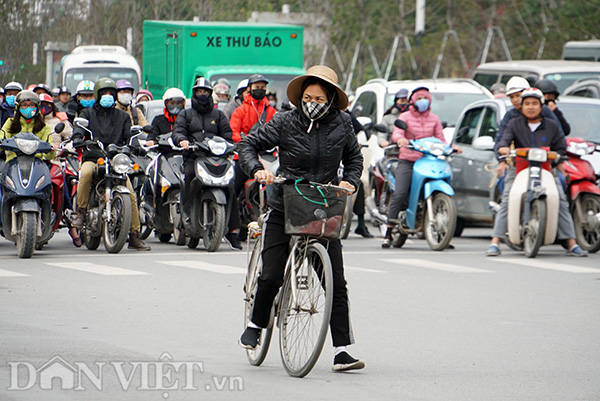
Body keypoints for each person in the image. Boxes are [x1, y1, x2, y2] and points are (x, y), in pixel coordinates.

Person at [238, 65, 365, 372]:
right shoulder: (284, 121)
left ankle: (342, 350)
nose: (312, 102)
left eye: (319, 97)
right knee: (271, 274)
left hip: (323, 207)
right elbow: (247, 145)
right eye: (307, 96)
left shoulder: (343, 124)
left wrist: (350, 180)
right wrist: (259, 169)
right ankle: (256, 324)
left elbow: (354, 158)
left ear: (331, 98)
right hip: (285, 202)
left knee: (335, 281)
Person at [486, 88, 587, 257]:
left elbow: (560, 146)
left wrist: (559, 158)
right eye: (527, 104)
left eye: (534, 104)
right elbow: (503, 141)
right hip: (519, 168)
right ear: (522, 107)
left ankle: (571, 243)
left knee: (560, 199)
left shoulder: (552, 125)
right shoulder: (514, 123)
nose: (530, 107)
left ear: (541, 106)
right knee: (508, 198)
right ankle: (495, 242)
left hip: (546, 168)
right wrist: (503, 150)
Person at [70, 78, 151, 251]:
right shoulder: (87, 114)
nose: (108, 96)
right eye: (104, 93)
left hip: (116, 161)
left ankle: (135, 234)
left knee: (130, 193)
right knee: (84, 174)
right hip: (94, 158)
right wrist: (78, 139)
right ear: (98, 95)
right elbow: (79, 131)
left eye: (111, 94)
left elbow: (130, 136)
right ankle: (82, 213)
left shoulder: (122, 116)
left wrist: (136, 147)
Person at [382, 86, 461, 248]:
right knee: (401, 193)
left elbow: (441, 139)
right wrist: (400, 140)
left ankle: (443, 234)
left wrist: (451, 147)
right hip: (408, 160)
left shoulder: (434, 119)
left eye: (425, 98)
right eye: (419, 99)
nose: (422, 101)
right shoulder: (405, 117)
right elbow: (397, 133)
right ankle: (389, 231)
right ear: (412, 101)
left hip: (428, 160)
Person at [170, 77, 242, 250]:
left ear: (210, 94)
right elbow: (177, 131)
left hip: (217, 158)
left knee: (231, 187)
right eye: (199, 92)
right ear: (194, 93)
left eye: (205, 92)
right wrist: (182, 140)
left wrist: (231, 145)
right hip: (194, 158)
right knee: (188, 176)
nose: (202, 95)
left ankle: (233, 232)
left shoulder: (218, 115)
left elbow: (228, 135)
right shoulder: (185, 114)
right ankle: (186, 212)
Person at [38, 93, 82, 247]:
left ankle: (72, 227)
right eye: (40, 104)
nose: (43, 108)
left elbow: (71, 137)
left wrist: (65, 148)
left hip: (54, 161)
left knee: (62, 187)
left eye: (47, 104)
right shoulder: (30, 122)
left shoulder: (59, 122)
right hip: (33, 162)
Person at [0, 90, 54, 161]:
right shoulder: (10, 122)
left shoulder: (44, 126)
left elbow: (48, 155)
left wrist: (51, 151)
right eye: (24, 105)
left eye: (32, 105)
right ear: (18, 107)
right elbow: (2, 138)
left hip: (37, 164)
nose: (28, 108)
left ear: (37, 107)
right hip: (13, 163)